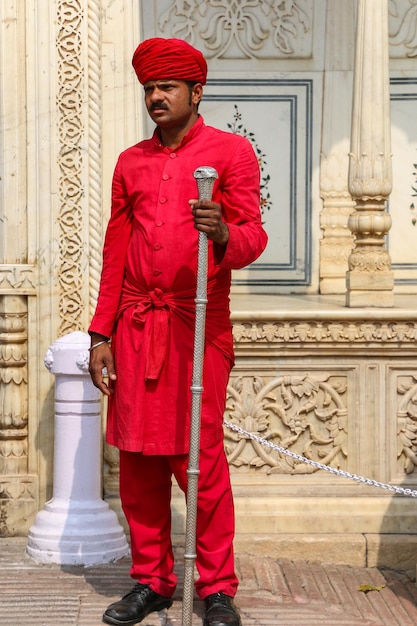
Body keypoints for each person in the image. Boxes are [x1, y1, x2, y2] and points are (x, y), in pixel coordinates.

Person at [88, 37, 268, 626]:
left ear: (197, 91)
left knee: (201, 460)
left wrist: (221, 233)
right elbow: (116, 252)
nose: (156, 97)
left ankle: (217, 587)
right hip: (137, 326)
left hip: (197, 327)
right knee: (138, 462)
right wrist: (100, 336)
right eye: (149, 89)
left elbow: (253, 239)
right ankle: (152, 581)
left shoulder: (232, 153)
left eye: (167, 87)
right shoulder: (129, 162)